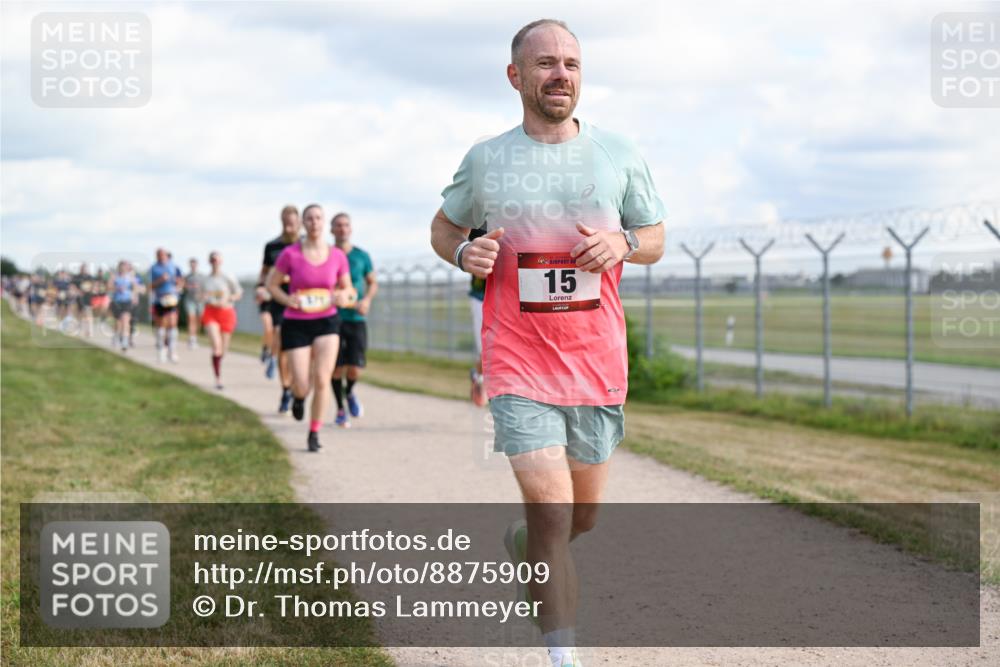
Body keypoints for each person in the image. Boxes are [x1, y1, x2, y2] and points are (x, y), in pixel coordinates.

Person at [429, 19, 665, 667]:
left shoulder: (618, 154)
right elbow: (444, 227)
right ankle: (564, 657)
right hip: (516, 362)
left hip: (596, 364)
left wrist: (623, 242)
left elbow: (656, 237)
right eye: (545, 64)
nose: (561, 74)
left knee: (579, 518)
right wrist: (463, 251)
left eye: (571, 64)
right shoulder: (488, 159)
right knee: (554, 511)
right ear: (516, 76)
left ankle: (523, 540)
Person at [266, 203, 354, 452]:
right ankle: (298, 397)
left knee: (323, 378)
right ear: (304, 223)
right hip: (296, 322)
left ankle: (314, 431)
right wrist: (287, 299)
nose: (314, 222)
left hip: (327, 321)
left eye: (318, 218)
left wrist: (342, 295)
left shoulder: (337, 256)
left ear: (323, 222)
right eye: (309, 218)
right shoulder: (290, 254)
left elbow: (347, 288)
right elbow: (272, 284)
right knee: (302, 382)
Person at [329, 212, 378, 428]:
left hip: (356, 317)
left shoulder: (361, 256)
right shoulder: (326, 255)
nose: (342, 229)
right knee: (336, 367)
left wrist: (366, 299)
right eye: (338, 225)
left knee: (355, 368)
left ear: (350, 229)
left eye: (345, 225)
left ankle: (349, 393)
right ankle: (340, 410)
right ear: (331, 230)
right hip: (332, 318)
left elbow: (372, 282)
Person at [259, 205, 302, 411]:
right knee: (282, 341)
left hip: (303, 302)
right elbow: (265, 272)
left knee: (301, 351)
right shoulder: (272, 246)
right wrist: (261, 287)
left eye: (292, 221)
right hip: (279, 300)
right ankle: (286, 388)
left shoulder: (307, 245)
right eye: (286, 221)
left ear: (299, 222)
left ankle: (297, 387)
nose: (289, 225)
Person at [200, 251, 243, 390]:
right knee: (216, 346)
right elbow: (200, 295)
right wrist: (205, 297)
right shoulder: (206, 280)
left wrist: (229, 298)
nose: (215, 262)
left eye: (217, 260)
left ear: (221, 261)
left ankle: (218, 363)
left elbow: (238, 293)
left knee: (223, 349)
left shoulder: (228, 277)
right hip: (211, 312)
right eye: (212, 260)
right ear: (209, 262)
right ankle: (218, 379)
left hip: (226, 312)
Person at [149, 248, 184, 362]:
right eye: (159, 255)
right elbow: (150, 286)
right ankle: (161, 351)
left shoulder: (174, 267)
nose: (162, 257)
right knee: (161, 326)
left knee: (173, 324)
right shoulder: (154, 268)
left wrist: (178, 284)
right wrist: (161, 280)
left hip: (172, 298)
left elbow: (180, 281)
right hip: (160, 299)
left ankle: (172, 351)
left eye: (164, 255)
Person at [467, 227, 488, 407]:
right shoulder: (479, 221)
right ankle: (479, 377)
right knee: (485, 350)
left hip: (512, 294)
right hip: (481, 295)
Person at [109, 260, 142, 352]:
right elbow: (108, 287)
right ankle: (115, 336)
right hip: (117, 301)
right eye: (122, 266)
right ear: (119, 267)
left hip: (127, 301)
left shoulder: (131, 277)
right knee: (118, 322)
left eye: (125, 266)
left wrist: (134, 296)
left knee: (126, 320)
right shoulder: (114, 276)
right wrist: (117, 288)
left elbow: (136, 287)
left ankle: (124, 342)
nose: (124, 268)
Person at [183, 257, 204, 349]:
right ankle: (191, 339)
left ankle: (195, 338)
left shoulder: (202, 276)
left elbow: (206, 287)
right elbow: (182, 285)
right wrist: (187, 286)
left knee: (198, 320)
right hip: (189, 300)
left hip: (199, 301)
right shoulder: (187, 276)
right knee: (191, 319)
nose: (193, 266)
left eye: (194, 264)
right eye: (191, 264)